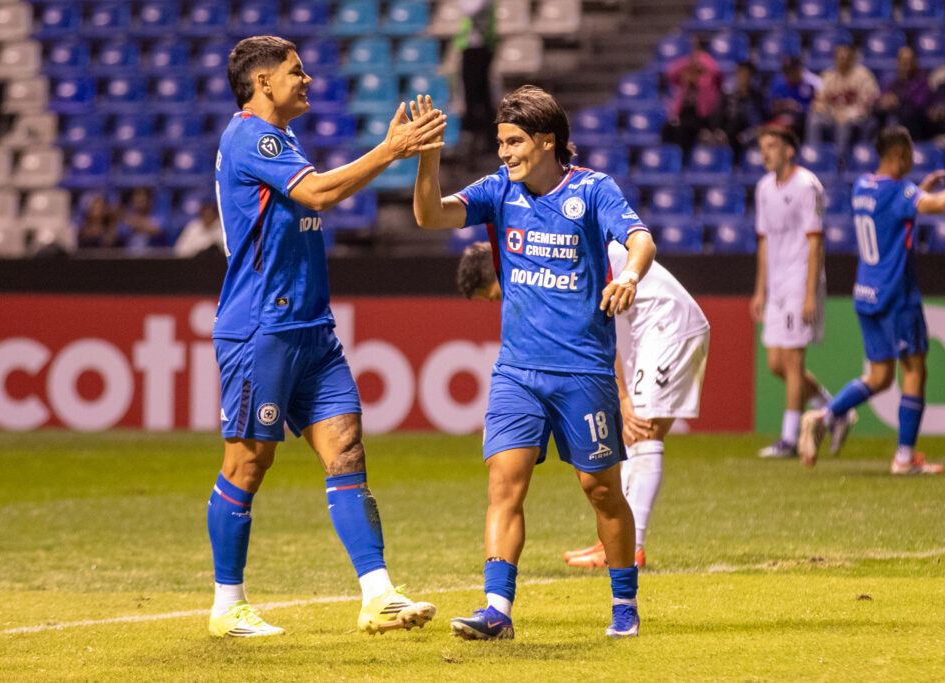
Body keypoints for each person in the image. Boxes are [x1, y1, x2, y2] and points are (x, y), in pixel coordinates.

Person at [208, 35, 446, 638]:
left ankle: (378, 594)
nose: (308, 78)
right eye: (295, 71)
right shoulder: (249, 136)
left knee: (347, 454)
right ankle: (226, 605)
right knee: (247, 464)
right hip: (262, 327)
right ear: (262, 83)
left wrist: (389, 153)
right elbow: (318, 192)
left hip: (311, 328)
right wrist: (390, 149)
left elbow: (318, 192)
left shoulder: (283, 140)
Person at [413, 86, 657, 640]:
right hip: (517, 372)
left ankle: (624, 602)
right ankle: (497, 610)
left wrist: (628, 275)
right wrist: (429, 157)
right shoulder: (499, 191)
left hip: (583, 371)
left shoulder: (593, 190)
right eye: (500, 143)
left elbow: (641, 238)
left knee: (600, 490)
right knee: (505, 484)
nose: (504, 153)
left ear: (547, 140)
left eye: (515, 142)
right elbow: (429, 215)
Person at [457, 241, 710, 570]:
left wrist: (620, 396)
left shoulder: (549, 260)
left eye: (495, 295)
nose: (501, 301)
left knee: (641, 433)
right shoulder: (542, 254)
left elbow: (592, 330)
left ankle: (630, 549)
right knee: (637, 436)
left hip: (668, 325)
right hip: (655, 326)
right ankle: (617, 545)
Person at [800, 126, 945, 474]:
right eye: (909, 153)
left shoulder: (863, 187)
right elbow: (937, 206)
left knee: (880, 377)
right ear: (900, 155)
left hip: (866, 292)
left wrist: (917, 192)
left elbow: (893, 213)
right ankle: (904, 459)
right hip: (898, 294)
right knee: (915, 371)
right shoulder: (900, 192)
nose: (912, 159)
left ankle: (823, 415)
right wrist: (922, 195)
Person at [750, 125, 841, 460]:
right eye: (763, 146)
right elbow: (764, 242)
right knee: (776, 363)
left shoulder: (807, 185)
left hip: (800, 279)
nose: (766, 152)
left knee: (792, 361)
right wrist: (759, 290)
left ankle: (788, 439)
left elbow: (815, 240)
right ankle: (833, 409)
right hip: (775, 284)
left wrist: (808, 293)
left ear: (790, 149)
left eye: (772, 145)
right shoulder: (763, 188)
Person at [806, 42, 879, 169]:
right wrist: (834, 113)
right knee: (814, 120)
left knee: (843, 125)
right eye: (839, 58)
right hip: (832, 116)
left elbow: (868, 104)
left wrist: (847, 114)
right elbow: (818, 104)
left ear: (852, 58)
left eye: (846, 58)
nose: (842, 61)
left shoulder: (863, 75)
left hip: (857, 119)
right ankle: (814, 161)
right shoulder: (827, 76)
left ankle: (840, 164)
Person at [662, 36, 724, 156]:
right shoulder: (685, 81)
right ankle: (668, 159)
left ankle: (682, 161)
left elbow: (715, 70)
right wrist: (689, 62)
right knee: (667, 128)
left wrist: (700, 59)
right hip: (684, 116)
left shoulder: (707, 80)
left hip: (701, 118)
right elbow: (669, 72)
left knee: (683, 130)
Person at [455, 0, 497, 158]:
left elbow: (471, 8)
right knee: (473, 96)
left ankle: (486, 140)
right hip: (471, 48)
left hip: (479, 48)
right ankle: (477, 140)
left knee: (479, 96)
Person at [875, 46, 932, 141]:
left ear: (915, 62)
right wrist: (881, 103)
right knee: (874, 122)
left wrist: (898, 101)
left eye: (911, 61)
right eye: (904, 61)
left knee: (893, 122)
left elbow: (919, 105)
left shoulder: (922, 81)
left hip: (915, 126)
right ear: (898, 63)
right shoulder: (892, 84)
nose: (908, 64)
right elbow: (880, 101)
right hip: (893, 121)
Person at [720, 61, 767, 162]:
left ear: (752, 77)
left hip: (752, 135)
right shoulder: (729, 97)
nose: (742, 77)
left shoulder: (759, 97)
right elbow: (720, 118)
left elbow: (763, 121)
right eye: (739, 73)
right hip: (731, 136)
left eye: (746, 74)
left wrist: (749, 134)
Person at [768, 56, 822, 141]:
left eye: (792, 71)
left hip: (802, 121)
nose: (789, 74)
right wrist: (779, 106)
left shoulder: (811, 83)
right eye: (787, 72)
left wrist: (798, 107)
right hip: (781, 118)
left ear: (799, 69)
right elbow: (769, 106)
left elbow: (817, 108)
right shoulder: (777, 83)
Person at [117, 186, 165, 251]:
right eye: (137, 201)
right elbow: (120, 232)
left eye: (142, 201)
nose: (139, 205)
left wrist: (136, 223)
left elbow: (157, 229)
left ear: (149, 201)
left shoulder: (156, 216)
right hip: (128, 257)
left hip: (151, 257)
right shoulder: (127, 217)